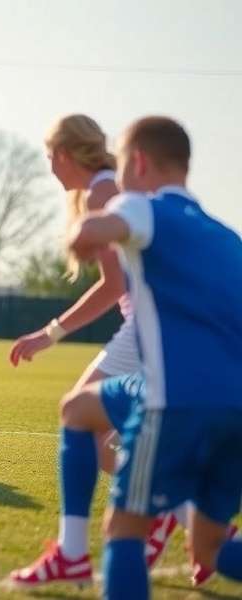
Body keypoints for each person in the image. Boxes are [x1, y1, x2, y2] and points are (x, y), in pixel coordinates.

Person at [67, 116, 242, 599]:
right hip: (237, 411)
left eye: (123, 164)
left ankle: (71, 549)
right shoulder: (227, 237)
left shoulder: (144, 207)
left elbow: (102, 227)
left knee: (125, 527)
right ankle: (70, 547)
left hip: (176, 402)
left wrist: (84, 232)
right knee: (208, 551)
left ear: (139, 162)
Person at [10, 115, 178, 587]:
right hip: (152, 327)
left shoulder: (104, 192)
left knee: (78, 417)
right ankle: (171, 512)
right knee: (91, 425)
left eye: (49, 158)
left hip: (145, 329)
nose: (50, 169)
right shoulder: (107, 189)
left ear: (65, 155)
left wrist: (49, 334)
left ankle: (85, 547)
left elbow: (113, 286)